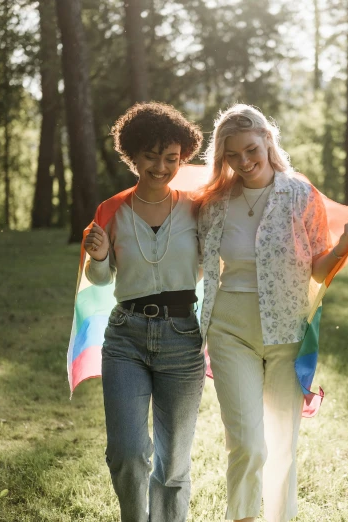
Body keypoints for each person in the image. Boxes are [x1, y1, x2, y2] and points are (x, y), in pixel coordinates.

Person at [195, 104, 348, 522]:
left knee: (281, 445)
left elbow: (318, 268)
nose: (243, 162)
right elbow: (196, 263)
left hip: (287, 331)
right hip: (229, 328)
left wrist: (343, 245)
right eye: (231, 156)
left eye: (251, 149)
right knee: (246, 443)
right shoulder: (215, 201)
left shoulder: (299, 194)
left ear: (268, 141)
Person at [83, 102, 205, 522]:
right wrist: (98, 257)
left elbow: (219, 261)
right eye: (151, 156)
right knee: (128, 451)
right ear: (132, 155)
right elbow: (100, 280)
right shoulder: (111, 210)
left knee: (172, 464)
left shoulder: (197, 209)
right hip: (125, 338)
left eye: (171, 158)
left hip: (182, 338)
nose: (161, 166)